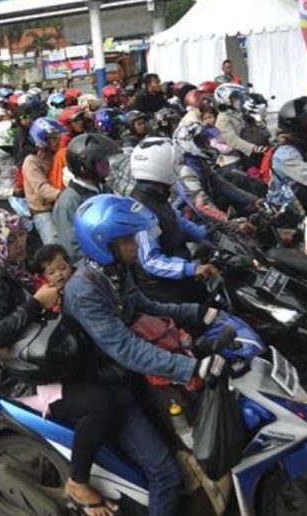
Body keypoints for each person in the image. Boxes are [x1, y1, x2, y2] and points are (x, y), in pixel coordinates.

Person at [65, 194, 226, 516]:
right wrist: (191, 367)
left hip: (132, 377)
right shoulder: (84, 290)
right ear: (104, 244)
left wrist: (197, 313)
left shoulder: (114, 272)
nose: (137, 247)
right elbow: (125, 348)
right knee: (165, 472)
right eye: (128, 241)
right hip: (109, 387)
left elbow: (144, 305)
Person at [0, 209, 120, 516]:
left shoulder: (5, 269)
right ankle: (78, 481)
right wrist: (35, 303)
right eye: (11, 238)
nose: (21, 243)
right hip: (20, 377)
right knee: (100, 403)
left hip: (36, 359)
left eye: (20, 234)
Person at [129, 137, 217, 303]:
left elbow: (179, 222)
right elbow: (151, 260)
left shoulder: (158, 197)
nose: (179, 168)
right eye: (175, 164)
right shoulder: (140, 209)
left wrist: (212, 234)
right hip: (165, 289)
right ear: (161, 168)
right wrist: (192, 269)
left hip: (181, 276)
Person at [53, 134, 117, 262]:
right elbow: (72, 247)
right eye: (100, 160)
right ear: (84, 166)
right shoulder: (70, 201)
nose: (106, 164)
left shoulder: (105, 189)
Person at [23, 118, 64, 245]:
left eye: (58, 137)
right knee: (55, 245)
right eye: (53, 138)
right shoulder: (31, 161)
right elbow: (41, 188)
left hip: (58, 207)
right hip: (43, 212)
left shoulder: (54, 157)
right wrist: (61, 194)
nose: (58, 141)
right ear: (42, 140)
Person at [30, 243, 73, 312]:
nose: (58, 274)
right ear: (43, 277)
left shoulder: (79, 280)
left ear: (69, 265)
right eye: (51, 273)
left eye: (62, 268)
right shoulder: (48, 299)